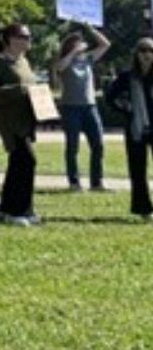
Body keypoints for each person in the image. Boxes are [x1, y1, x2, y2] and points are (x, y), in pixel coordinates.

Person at [0, 23, 41, 226]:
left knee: (18, 164)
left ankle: (7, 207)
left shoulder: (24, 62)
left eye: (28, 37)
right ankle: (19, 211)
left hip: (27, 120)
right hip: (10, 122)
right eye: (22, 36)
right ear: (9, 39)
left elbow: (30, 86)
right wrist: (20, 89)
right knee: (27, 161)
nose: (26, 40)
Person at [54, 25, 110, 192]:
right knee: (73, 146)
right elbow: (60, 67)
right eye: (77, 43)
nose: (81, 46)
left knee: (98, 144)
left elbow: (105, 45)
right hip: (70, 108)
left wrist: (91, 29)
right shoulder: (65, 61)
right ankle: (74, 182)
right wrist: (73, 53)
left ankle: (97, 182)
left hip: (90, 107)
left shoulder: (87, 59)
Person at [105, 38, 153, 221]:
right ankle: (144, 209)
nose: (147, 54)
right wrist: (127, 109)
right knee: (138, 171)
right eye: (143, 51)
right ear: (137, 54)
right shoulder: (127, 77)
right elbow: (111, 97)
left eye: (150, 51)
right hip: (136, 129)